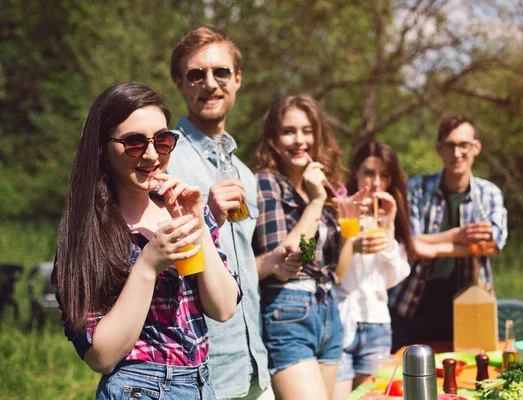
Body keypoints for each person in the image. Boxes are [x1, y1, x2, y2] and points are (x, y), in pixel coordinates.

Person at [53, 81, 240, 399]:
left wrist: (197, 220)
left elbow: (223, 308)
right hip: (138, 388)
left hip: (201, 384)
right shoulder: (87, 234)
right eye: (134, 143)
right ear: (103, 146)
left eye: (163, 140)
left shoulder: (183, 210)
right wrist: (149, 263)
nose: (153, 155)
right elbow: (101, 356)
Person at [166, 26, 271, 400]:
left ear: (237, 80)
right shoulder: (164, 159)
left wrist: (275, 261)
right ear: (180, 83)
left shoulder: (244, 173)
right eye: (196, 74)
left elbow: (241, 266)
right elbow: (152, 262)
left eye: (221, 72)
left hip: (255, 366)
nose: (210, 83)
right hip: (196, 371)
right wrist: (206, 218)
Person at [252, 95, 349, 400]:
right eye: (288, 131)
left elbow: (337, 273)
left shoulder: (325, 187)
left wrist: (353, 233)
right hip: (288, 307)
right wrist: (316, 201)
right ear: (273, 139)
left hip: (328, 309)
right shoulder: (267, 183)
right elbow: (287, 253)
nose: (299, 140)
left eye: (307, 131)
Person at [389, 115, 508, 352]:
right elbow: (410, 246)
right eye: (450, 145)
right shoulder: (417, 188)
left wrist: (432, 247)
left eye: (464, 145)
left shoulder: (489, 194)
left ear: (476, 148)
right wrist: (457, 236)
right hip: (412, 306)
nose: (457, 153)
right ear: (439, 149)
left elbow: (493, 244)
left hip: (468, 307)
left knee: (466, 382)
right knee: (407, 381)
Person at [332, 141, 414, 399]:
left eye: (384, 175)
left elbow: (393, 278)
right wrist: (352, 245)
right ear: (356, 173)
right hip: (342, 320)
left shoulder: (389, 214)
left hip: (377, 323)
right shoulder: (338, 209)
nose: (376, 182)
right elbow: (329, 274)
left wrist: (389, 226)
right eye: (369, 172)